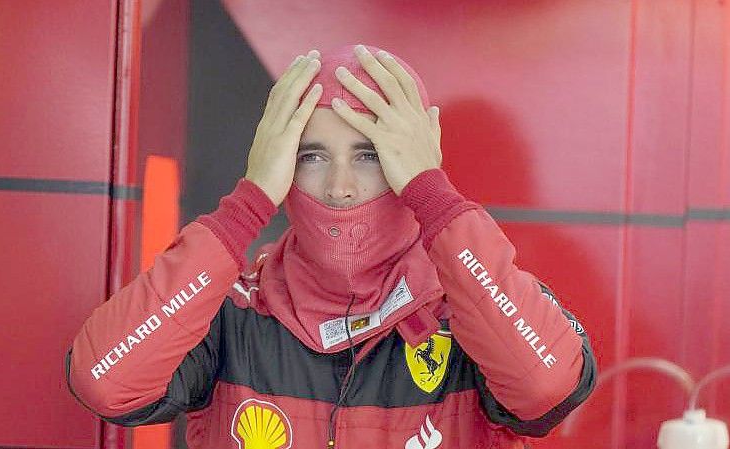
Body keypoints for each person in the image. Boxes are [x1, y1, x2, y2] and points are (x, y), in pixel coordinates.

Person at [65, 43, 597, 448]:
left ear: (412, 158)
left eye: (370, 154)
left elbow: (546, 386)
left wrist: (433, 195)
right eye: (311, 156)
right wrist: (246, 205)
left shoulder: (470, 310)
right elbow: (105, 382)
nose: (340, 186)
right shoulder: (232, 314)